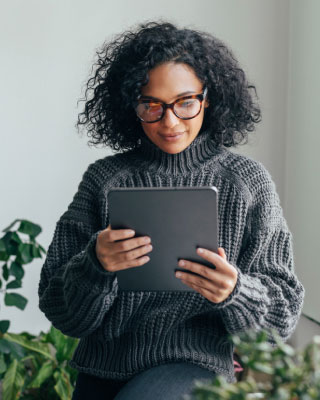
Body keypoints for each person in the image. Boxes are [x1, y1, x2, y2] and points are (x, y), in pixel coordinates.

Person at [38, 21, 305, 400]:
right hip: (103, 366)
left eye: (185, 102)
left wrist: (236, 292)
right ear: (131, 104)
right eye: (152, 105)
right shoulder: (104, 180)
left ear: (207, 98)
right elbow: (61, 311)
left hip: (194, 365)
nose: (170, 121)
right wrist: (96, 265)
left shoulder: (247, 182)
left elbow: (283, 316)